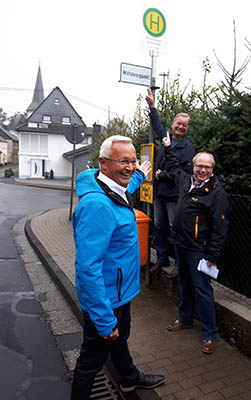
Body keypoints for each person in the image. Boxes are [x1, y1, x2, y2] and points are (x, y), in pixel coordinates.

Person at [71, 135, 165, 399]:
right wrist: (103, 318)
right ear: (103, 163)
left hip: (119, 292)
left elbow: (125, 189)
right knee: (91, 362)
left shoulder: (111, 190)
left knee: (120, 339)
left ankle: (128, 379)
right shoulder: (97, 206)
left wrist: (139, 174)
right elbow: (88, 269)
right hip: (106, 300)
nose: (131, 166)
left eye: (134, 161)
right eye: (124, 161)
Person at [162, 132, 229, 354]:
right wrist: (168, 145)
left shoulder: (216, 193)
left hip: (199, 250)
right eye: (199, 166)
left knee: (202, 290)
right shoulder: (185, 180)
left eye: (207, 167)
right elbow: (171, 162)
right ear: (193, 166)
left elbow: (220, 229)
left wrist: (212, 257)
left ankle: (209, 335)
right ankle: (185, 319)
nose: (202, 170)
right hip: (180, 244)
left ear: (212, 169)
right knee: (184, 284)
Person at [146, 88, 195, 278]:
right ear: (173, 124)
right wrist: (152, 107)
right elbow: (157, 125)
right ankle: (161, 259)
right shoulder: (165, 137)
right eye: (178, 123)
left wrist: (163, 175)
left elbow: (184, 173)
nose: (181, 127)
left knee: (176, 230)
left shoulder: (187, 148)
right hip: (160, 194)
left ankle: (179, 265)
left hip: (174, 196)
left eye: (184, 125)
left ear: (187, 128)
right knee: (160, 228)